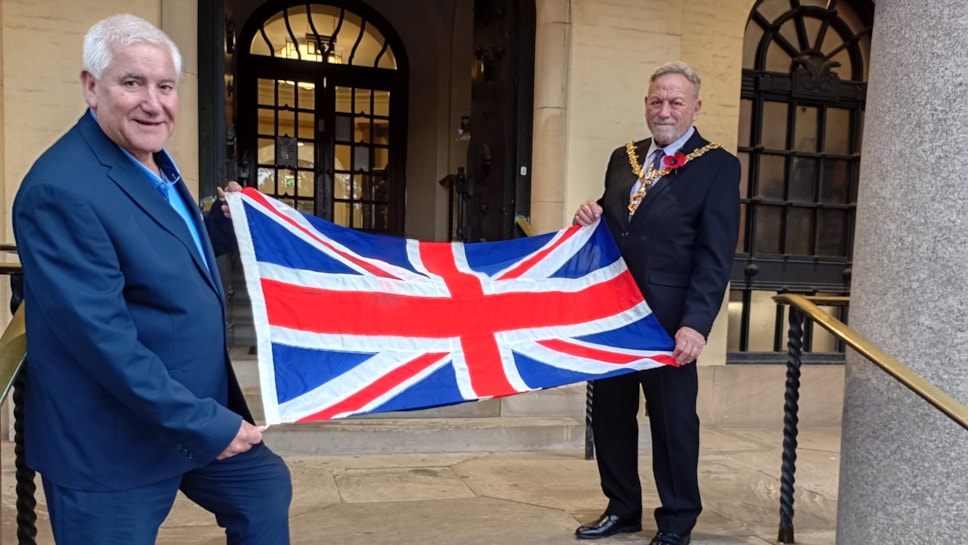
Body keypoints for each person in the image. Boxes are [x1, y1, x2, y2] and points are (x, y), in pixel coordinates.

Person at [12, 14, 291, 545]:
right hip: (113, 442)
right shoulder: (60, 191)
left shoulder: (150, 160)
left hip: (187, 413)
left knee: (261, 487)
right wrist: (207, 424)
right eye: (132, 82)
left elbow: (150, 249)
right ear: (92, 87)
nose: (153, 102)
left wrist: (219, 229)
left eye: (165, 86)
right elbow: (104, 343)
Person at [572, 61, 740, 545]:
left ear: (695, 108)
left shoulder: (717, 166)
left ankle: (678, 519)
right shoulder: (622, 158)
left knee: (672, 423)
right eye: (656, 101)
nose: (664, 110)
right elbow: (615, 227)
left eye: (675, 102)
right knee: (610, 415)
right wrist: (590, 214)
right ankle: (622, 508)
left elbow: (715, 254)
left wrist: (696, 324)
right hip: (613, 316)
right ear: (647, 103)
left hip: (669, 323)